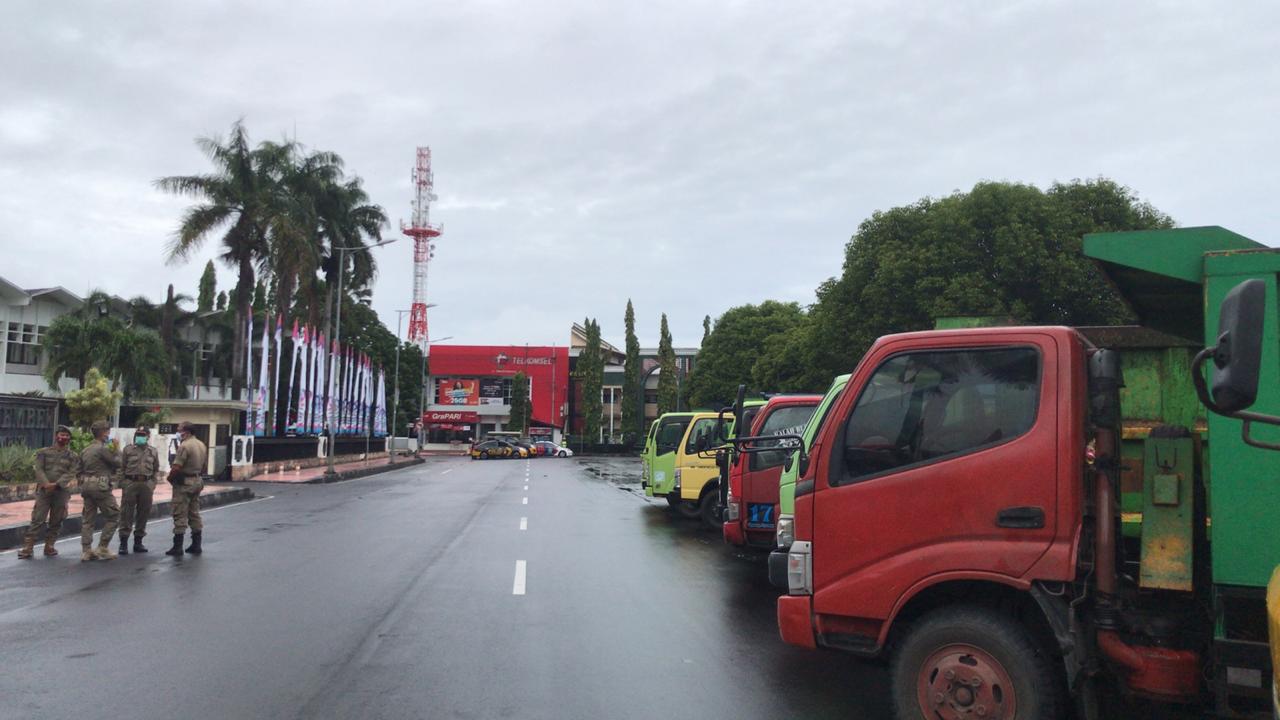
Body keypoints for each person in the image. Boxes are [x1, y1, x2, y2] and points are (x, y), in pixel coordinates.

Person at [17, 425, 78, 560]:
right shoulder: (43, 452)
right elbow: (38, 469)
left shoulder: (73, 456)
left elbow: (71, 472)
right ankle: (28, 547)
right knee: (37, 518)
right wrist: (46, 484)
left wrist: (57, 484)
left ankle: (49, 546)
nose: (64, 438)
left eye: (67, 436)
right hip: (44, 491)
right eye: (61, 434)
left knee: (57, 519)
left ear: (69, 439)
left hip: (61, 492)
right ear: (56, 436)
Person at [79, 420, 122, 561]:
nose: (109, 434)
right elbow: (118, 462)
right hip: (101, 486)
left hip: (86, 486)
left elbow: (79, 470)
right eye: (108, 431)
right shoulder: (103, 449)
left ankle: (86, 550)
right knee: (114, 515)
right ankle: (103, 547)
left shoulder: (86, 449)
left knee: (88, 519)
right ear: (104, 433)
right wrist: (116, 449)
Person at [165, 421, 207, 556]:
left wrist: (170, 478)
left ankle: (177, 547)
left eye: (179, 430)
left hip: (184, 483)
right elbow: (204, 466)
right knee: (194, 512)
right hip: (197, 481)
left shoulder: (184, 446)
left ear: (186, 432)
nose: (178, 432)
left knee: (179, 513)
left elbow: (177, 466)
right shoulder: (201, 444)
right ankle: (196, 544)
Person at [117, 425, 160, 554]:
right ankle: (123, 543)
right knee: (126, 513)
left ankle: (138, 542)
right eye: (138, 434)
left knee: (143, 513)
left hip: (146, 484)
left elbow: (156, 469)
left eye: (143, 435)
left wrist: (152, 483)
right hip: (130, 483)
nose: (140, 437)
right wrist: (123, 483)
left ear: (148, 436)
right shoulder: (128, 450)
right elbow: (121, 468)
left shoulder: (153, 451)